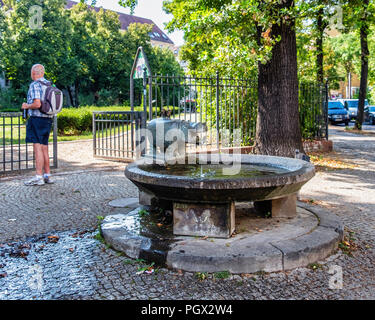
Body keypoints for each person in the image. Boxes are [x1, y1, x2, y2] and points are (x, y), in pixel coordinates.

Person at [22, 64, 54, 186]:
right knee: (44, 147)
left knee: (37, 148)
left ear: (34, 73)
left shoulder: (35, 84)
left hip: (37, 119)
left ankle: (38, 177)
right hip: (48, 119)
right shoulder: (49, 84)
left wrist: (26, 106)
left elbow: (37, 104)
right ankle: (48, 175)